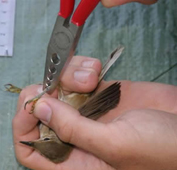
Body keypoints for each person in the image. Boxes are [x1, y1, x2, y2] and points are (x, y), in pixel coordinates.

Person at [12, 1, 177, 170]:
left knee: (55, 85)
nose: (40, 137)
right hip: (88, 104)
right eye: (44, 139)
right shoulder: (59, 130)